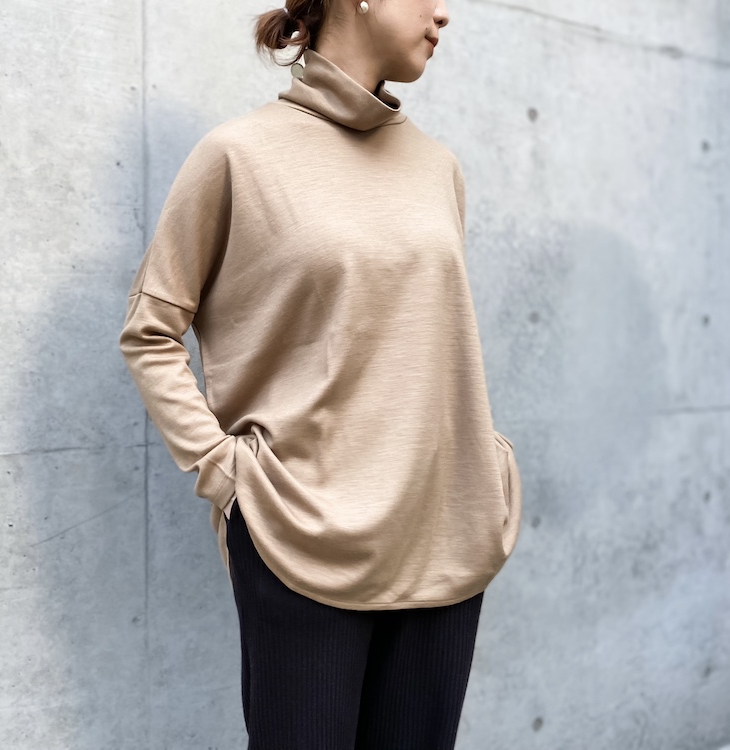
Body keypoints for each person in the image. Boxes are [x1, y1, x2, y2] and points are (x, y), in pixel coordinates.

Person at [119, 0, 523, 747]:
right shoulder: (239, 155)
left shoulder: (438, 168)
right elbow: (150, 331)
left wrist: (485, 462)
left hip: (446, 530)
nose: (444, 13)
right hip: (302, 534)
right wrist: (225, 472)